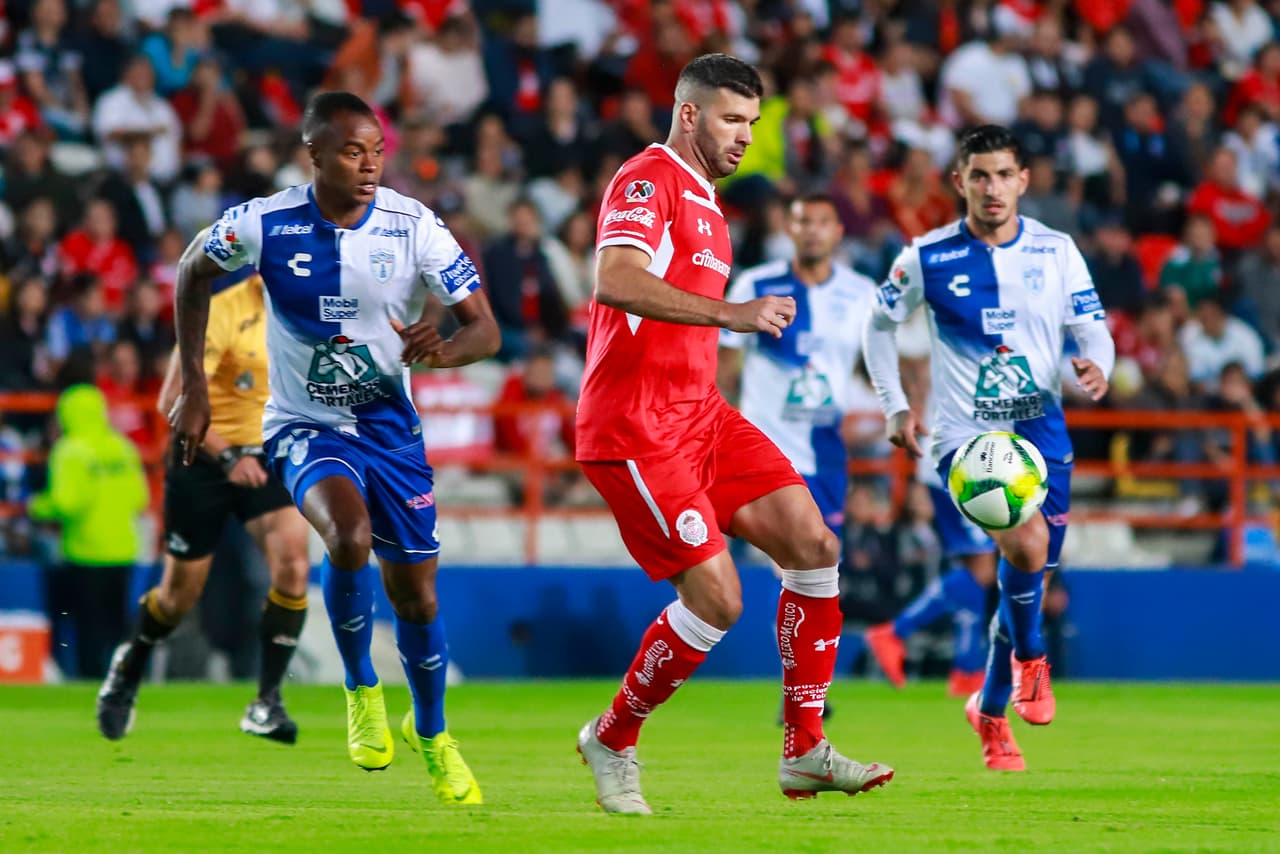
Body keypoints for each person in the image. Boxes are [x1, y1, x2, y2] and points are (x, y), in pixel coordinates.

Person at [573, 54, 894, 815]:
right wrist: (732, 314)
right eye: (730, 119)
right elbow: (615, 278)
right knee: (719, 600)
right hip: (635, 425)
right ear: (688, 114)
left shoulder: (711, 202)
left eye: (752, 123)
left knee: (814, 546)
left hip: (701, 414)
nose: (745, 136)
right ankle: (612, 738)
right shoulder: (647, 179)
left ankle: (804, 750)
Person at [167, 92, 500, 804]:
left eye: (377, 150)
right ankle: (360, 688)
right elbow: (192, 270)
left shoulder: (416, 227)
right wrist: (194, 385)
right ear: (313, 156)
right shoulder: (263, 223)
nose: (370, 163)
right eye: (352, 151)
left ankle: (434, 734)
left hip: (390, 430)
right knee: (348, 536)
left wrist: (441, 351)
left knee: (417, 597)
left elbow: (485, 329)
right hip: (302, 425)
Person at [861, 125, 1114, 771]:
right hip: (966, 438)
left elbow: (1092, 326)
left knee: (1025, 578)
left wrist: (1097, 365)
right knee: (1024, 547)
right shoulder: (925, 256)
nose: (992, 187)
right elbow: (878, 326)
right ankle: (1033, 659)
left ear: (1023, 180)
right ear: (959, 181)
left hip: (1043, 432)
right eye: (979, 175)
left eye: (1004, 174)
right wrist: (894, 402)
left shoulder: (1057, 251)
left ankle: (992, 713)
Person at [95, 274, 313, 745]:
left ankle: (267, 702)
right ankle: (130, 662)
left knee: (294, 564)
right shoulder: (220, 311)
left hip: (270, 455)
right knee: (177, 598)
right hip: (204, 456)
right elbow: (171, 398)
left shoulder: (317, 308)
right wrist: (229, 455)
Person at [718, 193, 878, 537]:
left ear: (837, 231)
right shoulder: (756, 286)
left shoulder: (862, 293)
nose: (812, 232)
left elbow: (880, 367)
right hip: (765, 450)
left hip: (826, 452)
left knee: (823, 565)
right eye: (804, 221)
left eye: (822, 223)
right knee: (787, 559)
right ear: (790, 228)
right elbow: (722, 370)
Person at [28, 384, 149, 678]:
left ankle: (91, 685)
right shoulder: (122, 446)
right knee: (118, 624)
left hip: (86, 550)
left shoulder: (70, 450)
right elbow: (140, 498)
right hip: (124, 550)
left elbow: (66, 503)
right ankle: (124, 682)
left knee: (88, 627)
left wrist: (35, 506)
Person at [863, 437, 997, 698]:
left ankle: (966, 672)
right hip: (960, 459)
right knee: (982, 568)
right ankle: (893, 632)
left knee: (975, 570)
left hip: (965, 457)